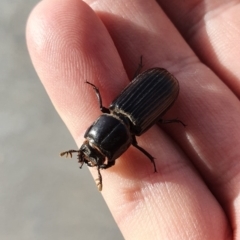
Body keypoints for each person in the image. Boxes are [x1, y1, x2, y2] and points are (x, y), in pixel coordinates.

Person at [26, 0, 239, 239]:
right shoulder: (113, 109)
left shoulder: (128, 129)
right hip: (151, 92)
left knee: (159, 119)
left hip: (154, 93)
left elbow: (111, 159)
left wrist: (102, 164)